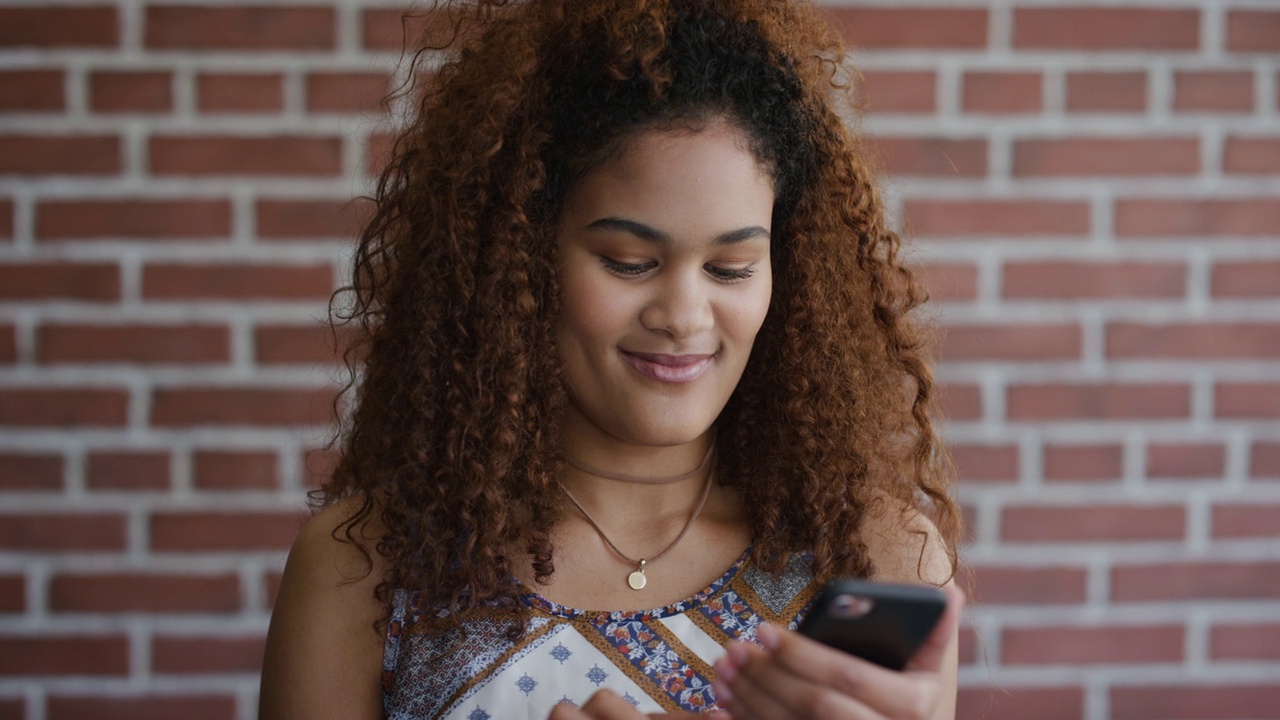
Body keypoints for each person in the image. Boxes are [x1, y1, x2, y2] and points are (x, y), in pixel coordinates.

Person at [259, 0, 965, 718]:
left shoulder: (874, 563)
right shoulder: (365, 572)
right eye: (629, 262)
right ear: (520, 261)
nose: (685, 316)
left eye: (731, 268)